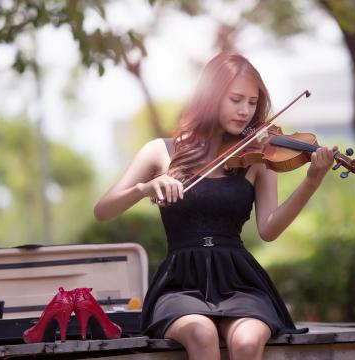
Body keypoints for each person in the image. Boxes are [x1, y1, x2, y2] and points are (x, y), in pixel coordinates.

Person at [94, 52, 336, 360]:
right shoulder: (161, 151)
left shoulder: (259, 156)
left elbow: (269, 229)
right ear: (210, 97)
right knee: (201, 332)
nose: (245, 111)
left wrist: (311, 182)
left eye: (252, 102)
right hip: (181, 283)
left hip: (240, 281)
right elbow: (103, 210)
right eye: (236, 99)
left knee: (248, 342)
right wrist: (144, 188)